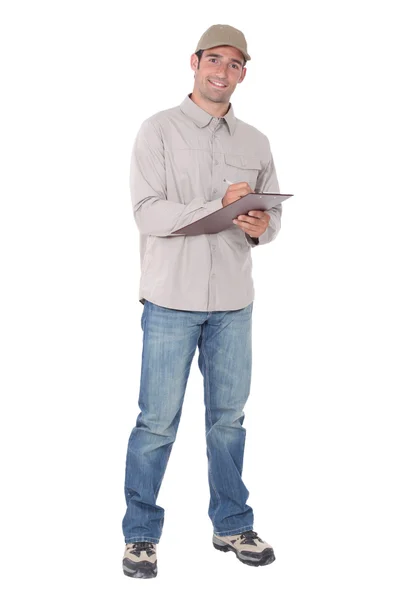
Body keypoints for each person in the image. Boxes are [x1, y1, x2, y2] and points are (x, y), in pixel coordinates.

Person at [122, 24, 282, 579]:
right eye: (213, 59)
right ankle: (140, 535)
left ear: (243, 73)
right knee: (157, 422)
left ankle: (232, 523)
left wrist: (261, 223)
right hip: (170, 300)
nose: (222, 71)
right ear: (194, 62)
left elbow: (273, 220)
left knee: (229, 421)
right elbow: (149, 213)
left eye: (234, 64)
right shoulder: (158, 131)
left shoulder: (255, 142)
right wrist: (217, 203)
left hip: (235, 302)